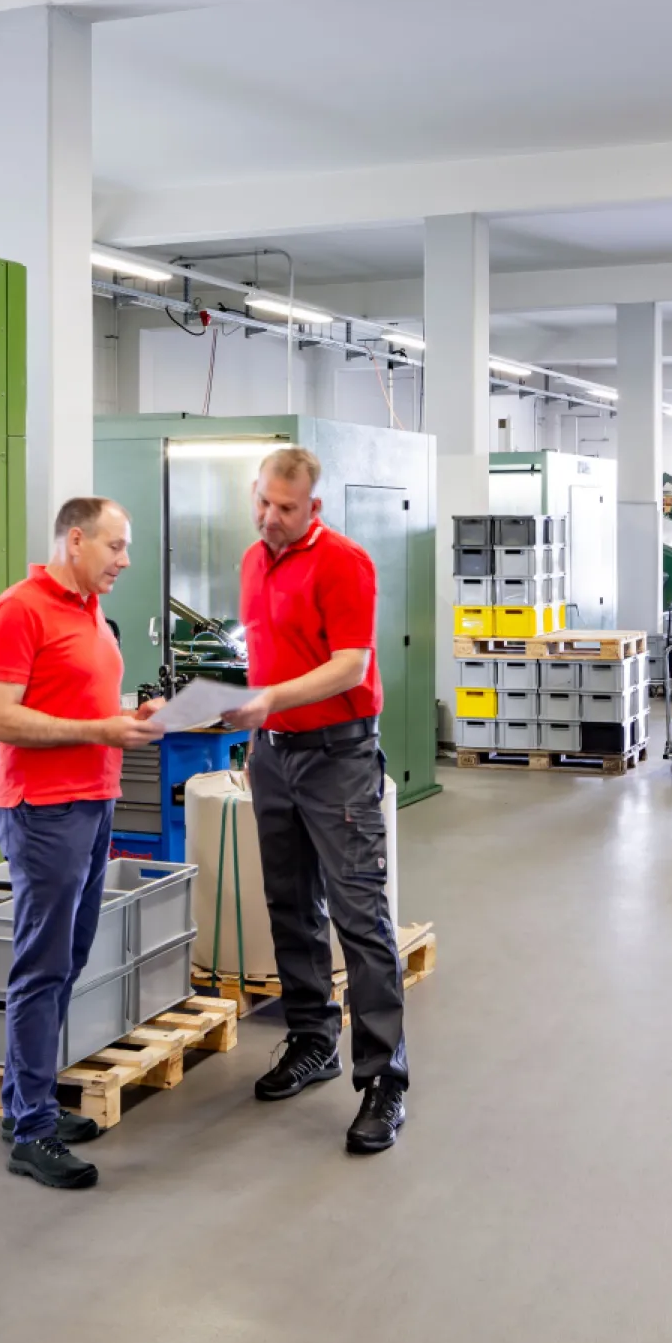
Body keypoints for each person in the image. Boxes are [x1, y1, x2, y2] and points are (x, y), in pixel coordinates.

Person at [220, 446, 409, 1153]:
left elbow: (349, 666)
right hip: (274, 755)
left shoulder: (344, 562)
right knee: (290, 905)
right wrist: (256, 738)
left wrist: (268, 700)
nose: (270, 517)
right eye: (263, 502)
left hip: (338, 758)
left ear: (314, 507)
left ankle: (384, 1080)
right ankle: (312, 1040)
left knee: (360, 917)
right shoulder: (252, 561)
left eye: (286, 508)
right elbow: (267, 655)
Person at [0, 496, 165, 1190]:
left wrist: (129, 718)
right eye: (116, 546)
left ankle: (27, 1101)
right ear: (75, 540)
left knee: (69, 958)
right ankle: (31, 1130)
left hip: (93, 801)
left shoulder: (89, 612)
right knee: (43, 965)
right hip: (44, 811)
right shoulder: (18, 611)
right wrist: (100, 731)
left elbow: (79, 703)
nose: (125, 560)